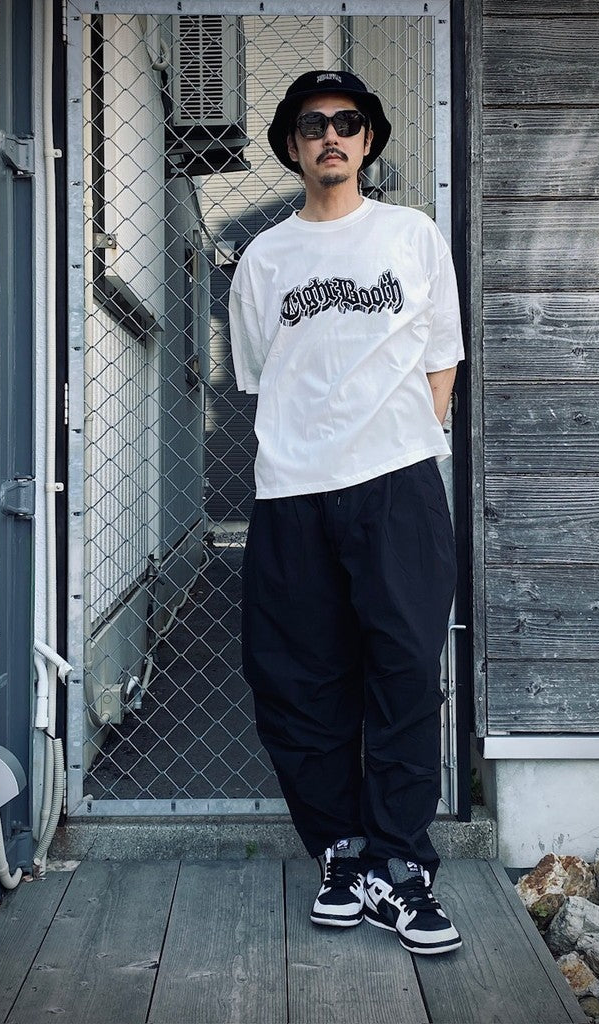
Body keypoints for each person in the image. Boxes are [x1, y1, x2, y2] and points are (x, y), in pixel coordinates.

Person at [228, 70, 464, 956]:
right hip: (292, 494)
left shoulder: (411, 234)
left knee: (403, 672)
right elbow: (264, 373)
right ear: (292, 146)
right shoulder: (264, 259)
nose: (331, 135)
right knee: (300, 681)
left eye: (348, 122)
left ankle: (401, 863)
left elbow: (443, 355)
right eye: (313, 124)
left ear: (368, 140)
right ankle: (341, 854)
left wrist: (402, 439)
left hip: (397, 486)